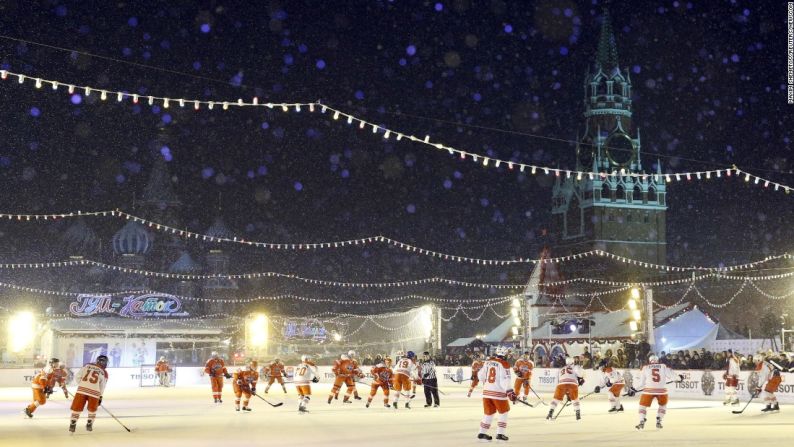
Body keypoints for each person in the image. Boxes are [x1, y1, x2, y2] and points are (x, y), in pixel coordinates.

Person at [476, 346, 516, 442]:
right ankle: (500, 433)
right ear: (505, 354)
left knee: (488, 413)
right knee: (504, 412)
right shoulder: (504, 364)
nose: (509, 356)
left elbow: (480, 376)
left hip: (486, 393)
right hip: (498, 393)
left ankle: (482, 432)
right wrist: (510, 391)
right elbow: (505, 379)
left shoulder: (488, 361)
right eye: (508, 354)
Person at [630, 354, 680, 429]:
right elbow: (674, 377)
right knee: (663, 405)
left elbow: (641, 384)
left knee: (642, 406)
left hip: (648, 391)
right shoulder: (663, 366)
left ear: (650, 361)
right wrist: (679, 378)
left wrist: (634, 389)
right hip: (662, 391)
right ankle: (659, 420)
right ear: (658, 360)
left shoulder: (645, 367)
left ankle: (641, 420)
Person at [69, 354, 108, 433]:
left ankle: (73, 423)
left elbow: (77, 377)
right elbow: (102, 385)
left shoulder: (86, 366)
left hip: (81, 391)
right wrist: (100, 396)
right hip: (95, 392)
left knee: (77, 408)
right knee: (92, 409)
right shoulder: (104, 372)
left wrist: (83, 384)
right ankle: (89, 422)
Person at [546, 357, 584, 421]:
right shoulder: (575, 367)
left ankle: (550, 412)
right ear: (573, 362)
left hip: (561, 384)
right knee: (575, 399)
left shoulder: (561, 369)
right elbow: (580, 375)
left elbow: (559, 381)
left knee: (556, 399)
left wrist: (566, 393)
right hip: (572, 384)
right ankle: (578, 413)